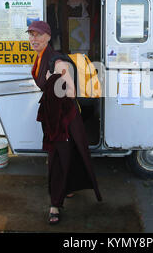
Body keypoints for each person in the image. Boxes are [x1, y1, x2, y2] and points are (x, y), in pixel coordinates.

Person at [27, 20, 102, 225]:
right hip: (54, 116)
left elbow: (70, 92)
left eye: (38, 35)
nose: (34, 39)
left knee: (57, 159)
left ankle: (55, 205)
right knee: (70, 154)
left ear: (48, 37)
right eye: (31, 34)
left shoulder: (56, 61)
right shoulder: (41, 57)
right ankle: (67, 189)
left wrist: (52, 80)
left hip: (64, 119)